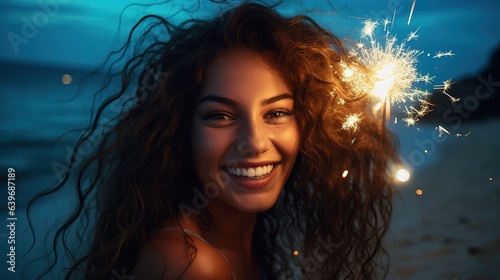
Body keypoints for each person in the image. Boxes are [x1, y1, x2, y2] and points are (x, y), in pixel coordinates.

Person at [28, 2, 398, 279]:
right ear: (179, 130)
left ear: (307, 126)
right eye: (220, 115)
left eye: (276, 113)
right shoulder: (186, 263)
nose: (254, 142)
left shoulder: (240, 232)